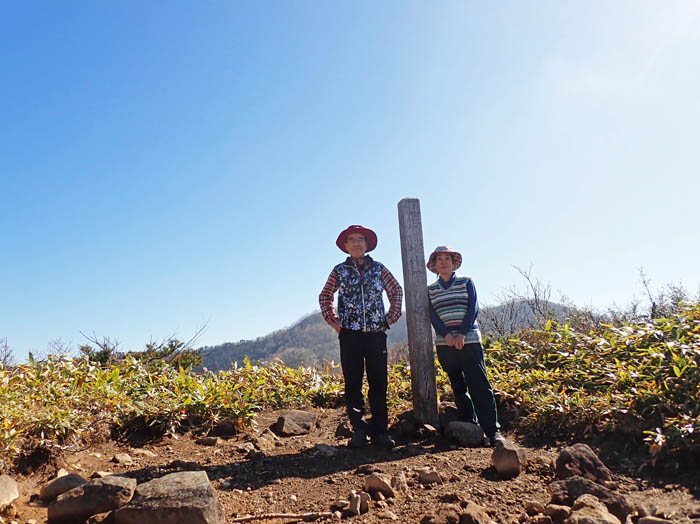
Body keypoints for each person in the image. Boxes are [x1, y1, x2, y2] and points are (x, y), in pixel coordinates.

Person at [319, 225, 403, 449]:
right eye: (352, 240)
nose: (356, 243)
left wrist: (389, 318)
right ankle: (359, 431)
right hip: (350, 336)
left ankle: (380, 432)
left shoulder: (379, 269)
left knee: (379, 383)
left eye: (360, 239)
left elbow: (396, 291)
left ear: (367, 245)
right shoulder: (339, 271)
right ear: (346, 246)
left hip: (376, 334)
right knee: (353, 383)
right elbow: (325, 295)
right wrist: (335, 323)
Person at [426, 246, 504, 447]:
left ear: (454, 263)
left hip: (469, 339)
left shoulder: (466, 282)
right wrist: (447, 335)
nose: (443, 262)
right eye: (439, 259)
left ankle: (492, 430)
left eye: (447, 258)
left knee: (479, 383)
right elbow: (433, 315)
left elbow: (473, 308)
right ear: (434, 265)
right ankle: (470, 423)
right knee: (457, 384)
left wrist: (461, 333)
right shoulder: (430, 290)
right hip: (445, 344)